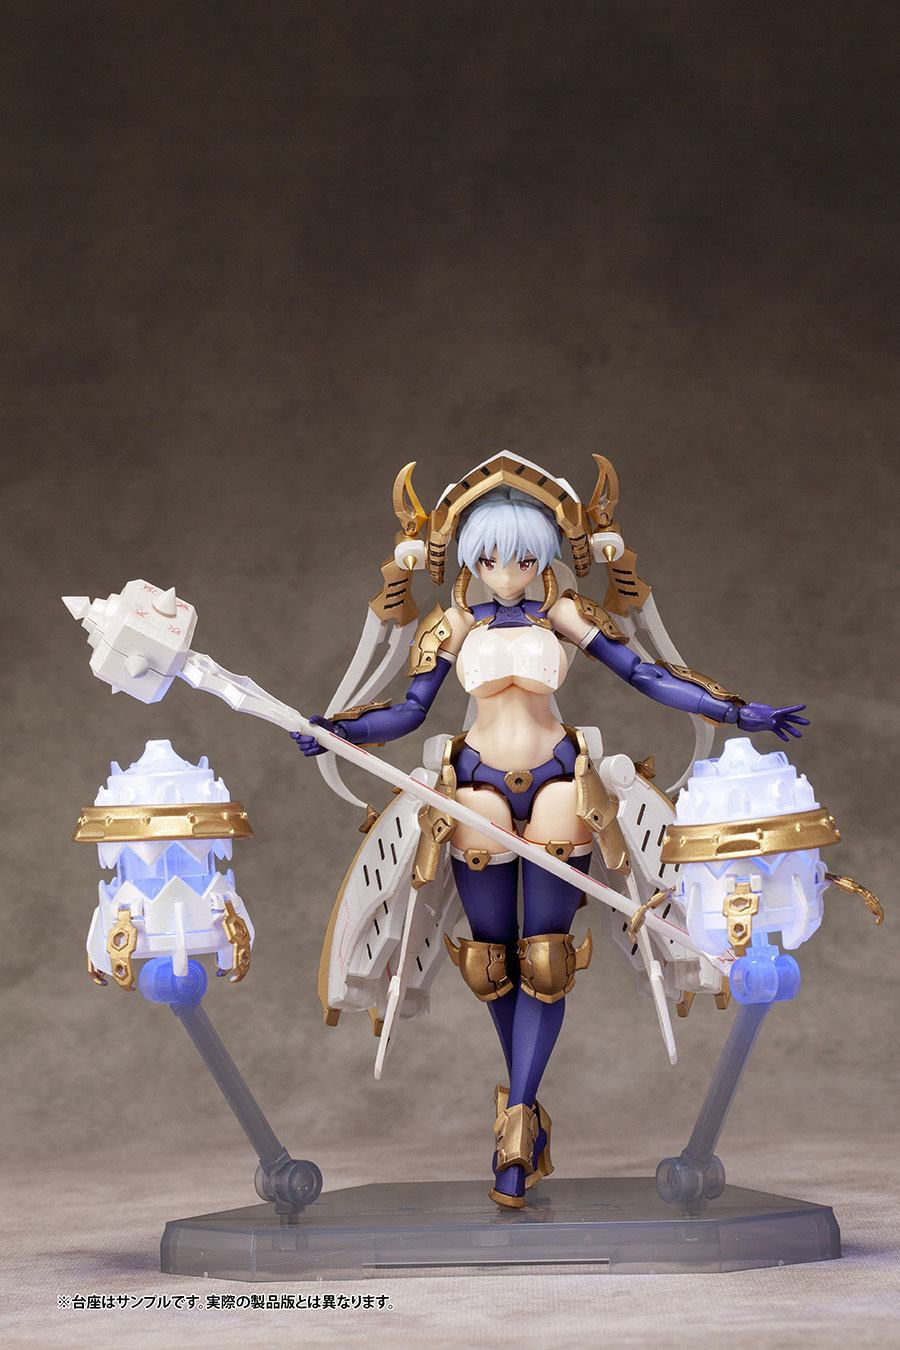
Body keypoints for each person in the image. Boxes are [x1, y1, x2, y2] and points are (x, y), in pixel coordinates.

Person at [293, 456, 807, 1207]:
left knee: (546, 960)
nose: (508, 573)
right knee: (489, 963)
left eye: (525, 559)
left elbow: (648, 675)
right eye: (491, 559)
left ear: (544, 558)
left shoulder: (564, 614)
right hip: (475, 788)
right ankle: (526, 1117)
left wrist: (734, 709)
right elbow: (407, 711)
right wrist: (337, 729)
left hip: (563, 782)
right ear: (470, 559)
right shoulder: (451, 624)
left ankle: (518, 1121)